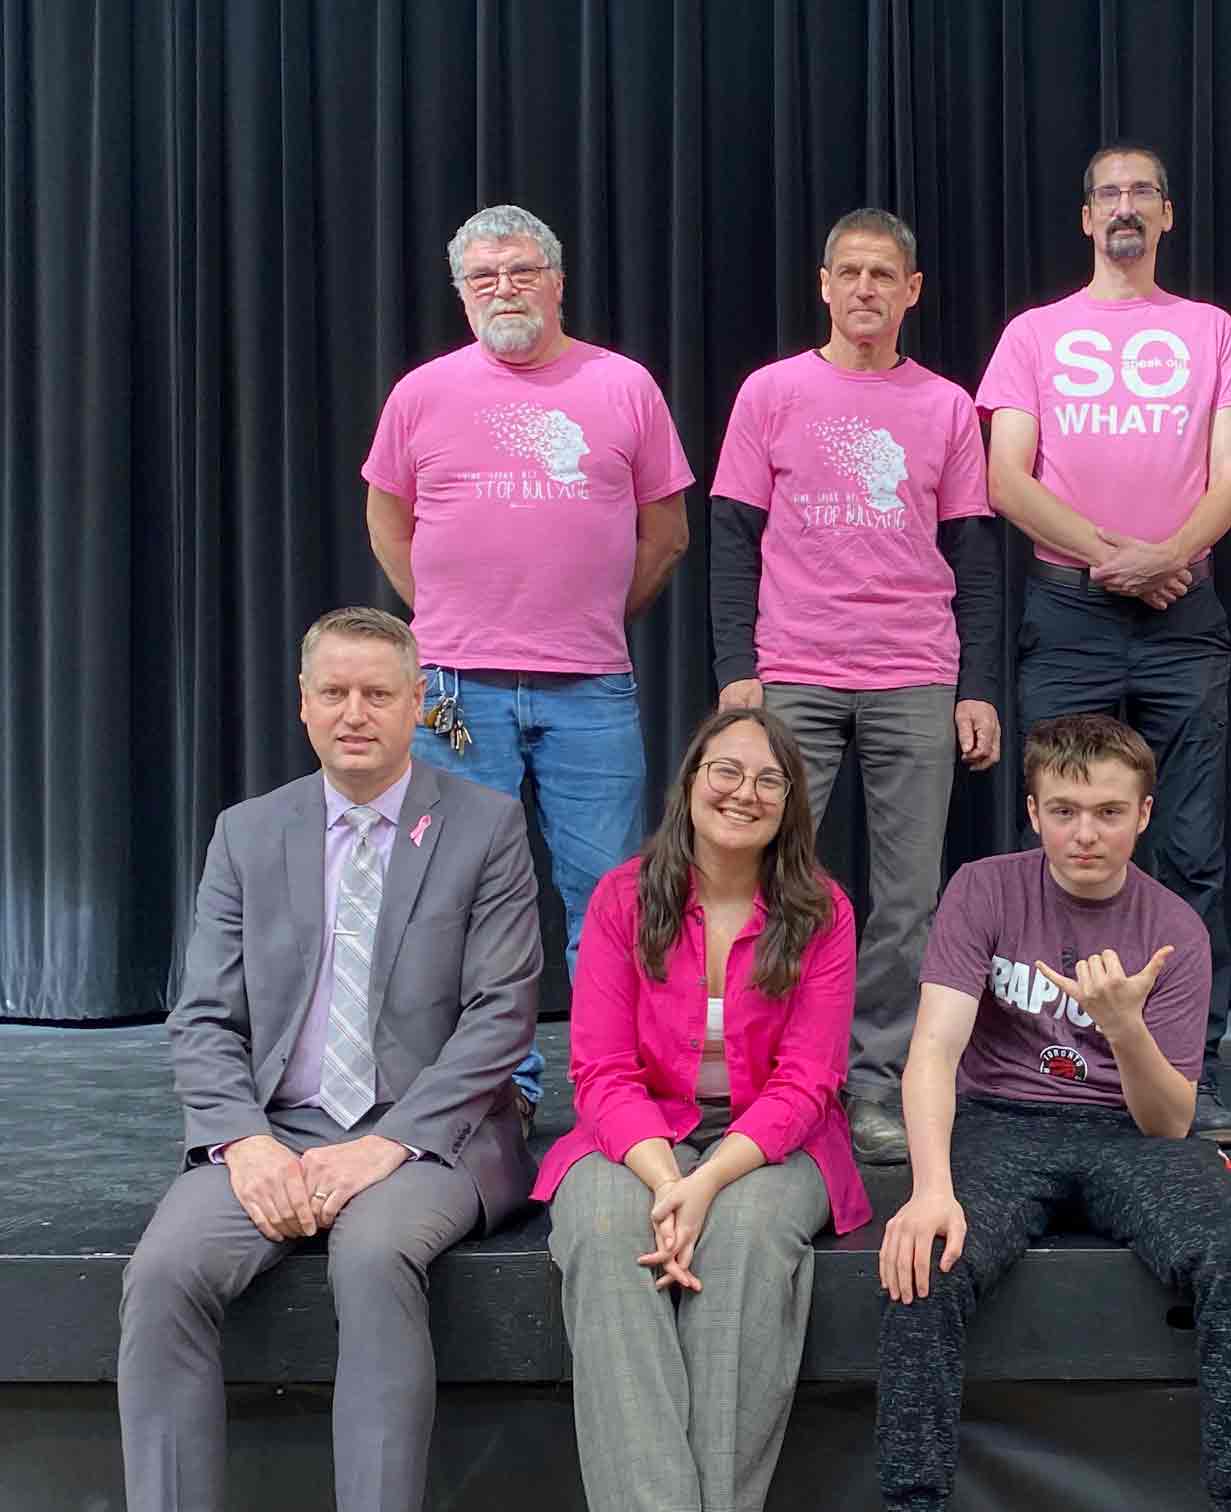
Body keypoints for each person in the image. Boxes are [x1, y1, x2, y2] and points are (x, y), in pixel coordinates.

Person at [119, 607, 541, 1512]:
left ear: (417, 704)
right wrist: (244, 1142)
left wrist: (389, 1146)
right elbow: (203, 1018)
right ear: (301, 706)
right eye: (335, 693)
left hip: (436, 1135)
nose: (356, 712)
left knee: (373, 1252)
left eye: (378, 693)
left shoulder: (487, 826)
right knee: (162, 1274)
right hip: (280, 1127)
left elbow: (501, 1017)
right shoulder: (246, 833)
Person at [876, 713, 1231, 1512]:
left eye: (1106, 813)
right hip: (1000, 1117)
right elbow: (933, 1051)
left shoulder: (1174, 928)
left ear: (1143, 814)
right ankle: (912, 1501)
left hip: (1127, 1132)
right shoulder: (984, 888)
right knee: (922, 1262)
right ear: (1033, 813)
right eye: (1063, 811)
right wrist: (930, 1188)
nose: (1085, 834)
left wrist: (1125, 1025)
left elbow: (1169, 1122)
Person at [364, 203, 696, 1120]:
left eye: (520, 272)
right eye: (483, 277)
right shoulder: (422, 392)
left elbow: (664, 535)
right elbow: (387, 517)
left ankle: (609, 1092)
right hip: (454, 691)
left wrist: (587, 611)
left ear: (557, 281)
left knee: (608, 900)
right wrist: (441, 611)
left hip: (590, 685)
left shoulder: (624, 385)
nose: (503, 289)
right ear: (462, 294)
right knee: (468, 898)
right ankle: (497, 1093)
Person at [977, 144, 1231, 1145]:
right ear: (1086, 217)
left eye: (1145, 192)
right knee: (1061, 837)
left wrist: (1168, 559)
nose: (1127, 208)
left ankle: (1196, 1066)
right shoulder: (1034, 334)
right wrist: (1117, 558)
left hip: (1183, 618)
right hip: (1070, 614)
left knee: (1190, 851)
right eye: (1110, 194)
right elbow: (1006, 479)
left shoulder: (1210, 330)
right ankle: (1042, 1064)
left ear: (1167, 216)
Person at [710, 207, 1002, 1167]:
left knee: (908, 900)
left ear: (911, 291)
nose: (867, 290)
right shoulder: (771, 393)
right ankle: (768, 1076)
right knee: (769, 883)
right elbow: (731, 543)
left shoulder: (948, 407)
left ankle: (873, 1083)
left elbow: (976, 555)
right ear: (824, 284)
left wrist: (975, 684)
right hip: (794, 675)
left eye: (885, 275)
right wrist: (737, 676)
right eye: (850, 273)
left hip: (915, 675)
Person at [534, 707, 867, 1511]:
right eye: (726, 771)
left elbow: (807, 1082)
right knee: (609, 1232)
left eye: (768, 780)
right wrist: (663, 1181)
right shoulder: (622, 898)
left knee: (748, 1241)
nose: (744, 793)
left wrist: (706, 1183)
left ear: (790, 803)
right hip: (635, 1130)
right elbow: (602, 1072)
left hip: (770, 1143)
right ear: (690, 783)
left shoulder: (823, 912)